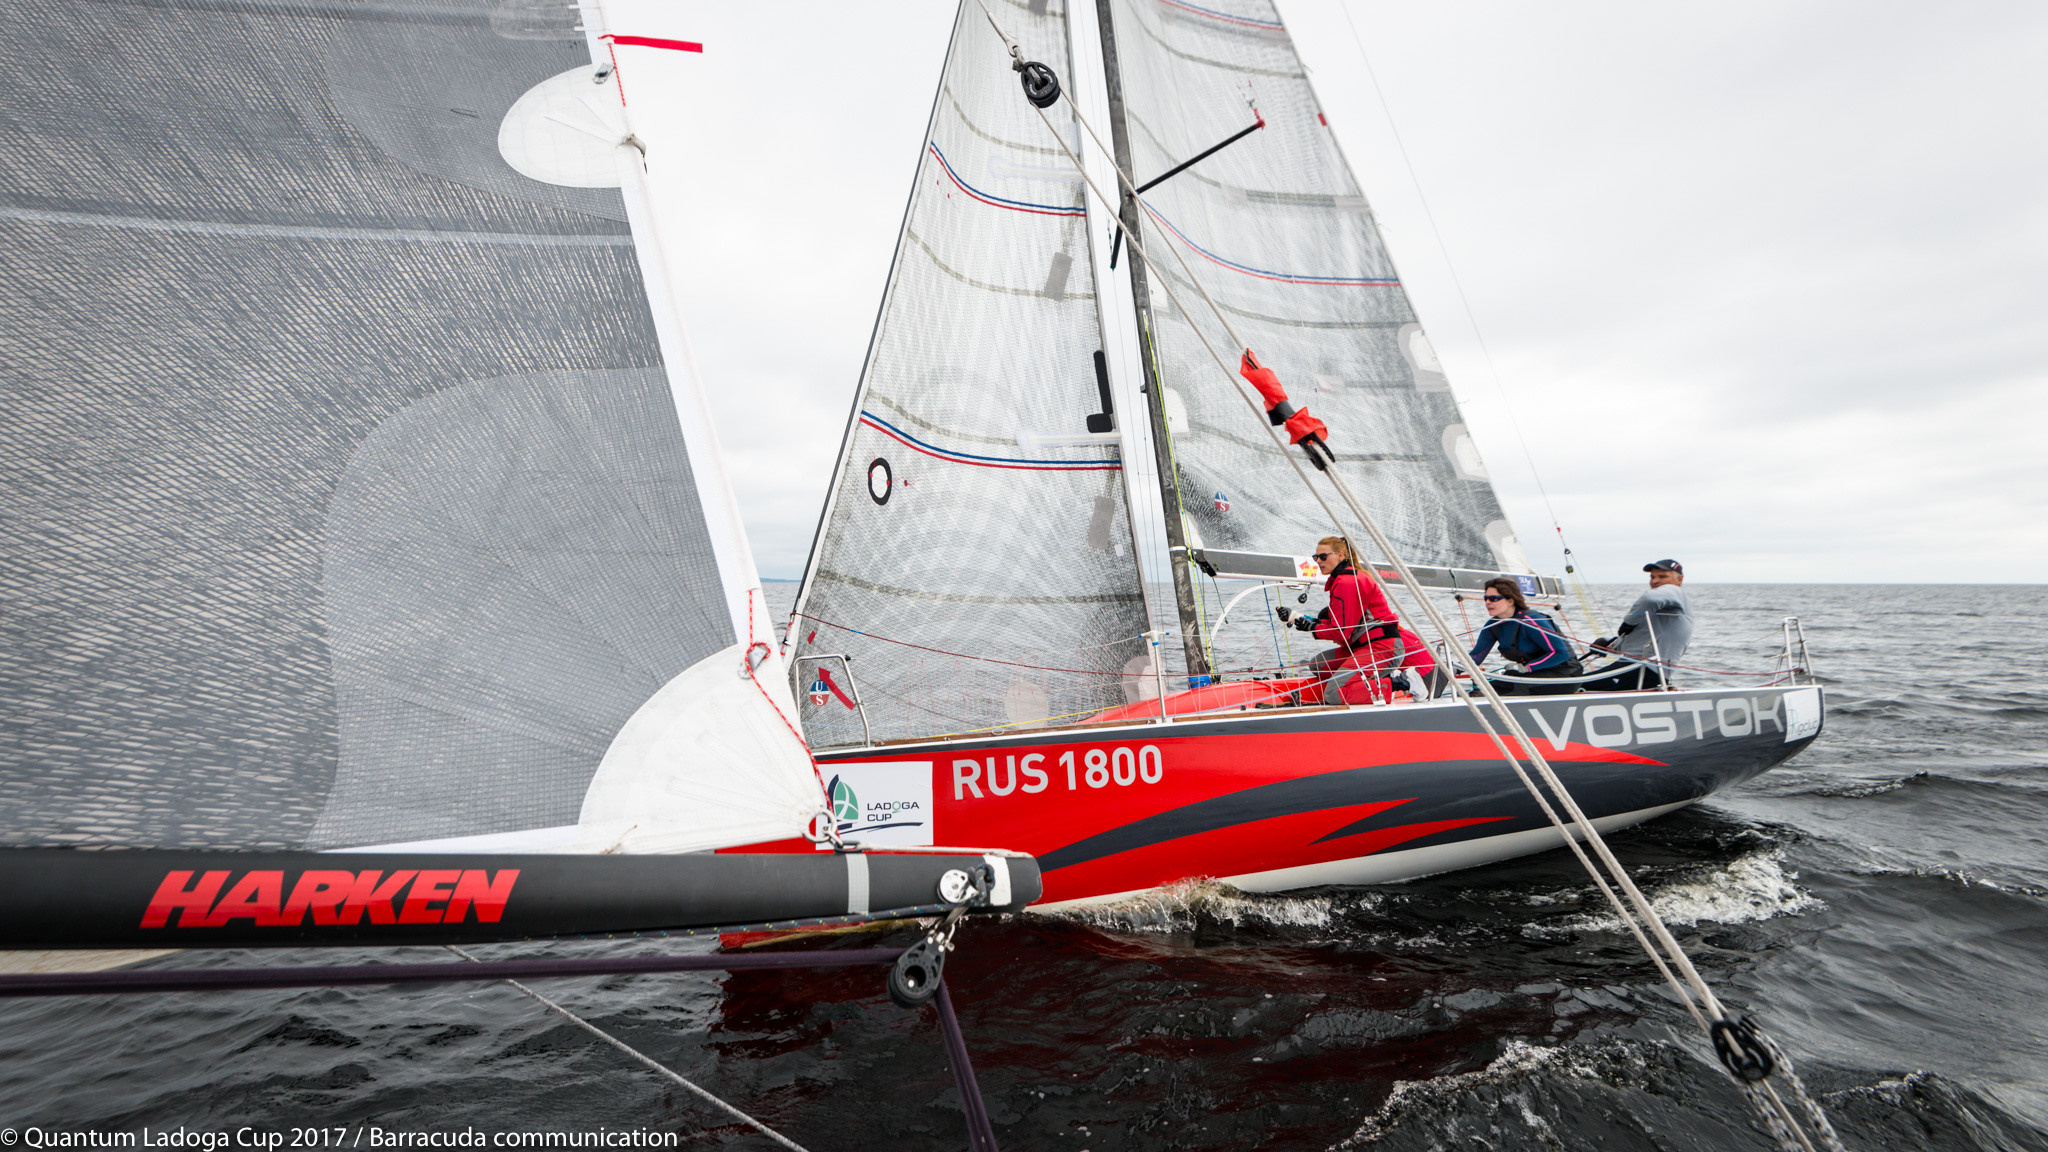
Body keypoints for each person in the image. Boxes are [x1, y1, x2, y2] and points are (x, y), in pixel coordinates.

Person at [1276, 536, 1437, 704]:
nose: (1318, 561)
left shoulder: (1347, 582)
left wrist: (1311, 627)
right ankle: (1363, 683)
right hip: (1365, 647)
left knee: (1333, 694)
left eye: (1323, 556)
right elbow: (1338, 623)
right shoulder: (1343, 580)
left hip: (1383, 648)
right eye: (1316, 557)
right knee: (1318, 665)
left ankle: (1402, 682)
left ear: (1340, 555)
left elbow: (1340, 632)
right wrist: (1296, 618)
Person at [1580, 559, 1693, 692]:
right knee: (1578, 684)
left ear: (1679, 579)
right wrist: (1611, 645)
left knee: (1574, 686)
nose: (1655, 581)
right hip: (1641, 669)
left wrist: (1628, 622)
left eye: (1662, 576)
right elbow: (1647, 638)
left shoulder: (1675, 591)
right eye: (1652, 577)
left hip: (1642, 669)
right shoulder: (1668, 607)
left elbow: (1650, 598)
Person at [1468, 577, 1582, 696]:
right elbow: (1476, 656)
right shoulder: (1493, 625)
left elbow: (1561, 653)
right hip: (1532, 674)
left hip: (1565, 675)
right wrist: (1456, 669)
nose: (1487, 602)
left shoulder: (1530, 620)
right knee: (1485, 688)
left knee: (1504, 689)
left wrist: (1527, 668)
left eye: (1494, 599)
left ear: (1510, 601)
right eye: (1486, 598)